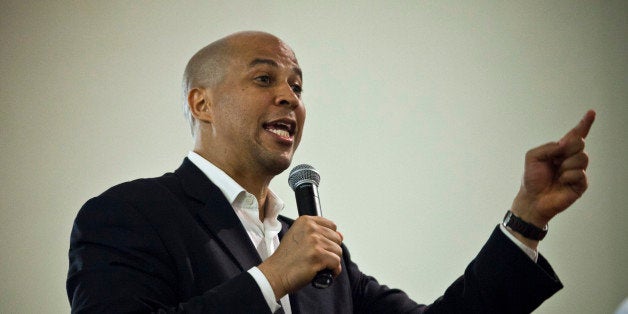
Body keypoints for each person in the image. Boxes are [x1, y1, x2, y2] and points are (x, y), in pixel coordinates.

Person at [66, 31, 596, 313]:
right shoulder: (127, 215)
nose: (288, 96)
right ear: (201, 103)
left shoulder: (318, 254)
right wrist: (272, 279)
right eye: (264, 78)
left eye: (297, 86)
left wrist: (525, 220)